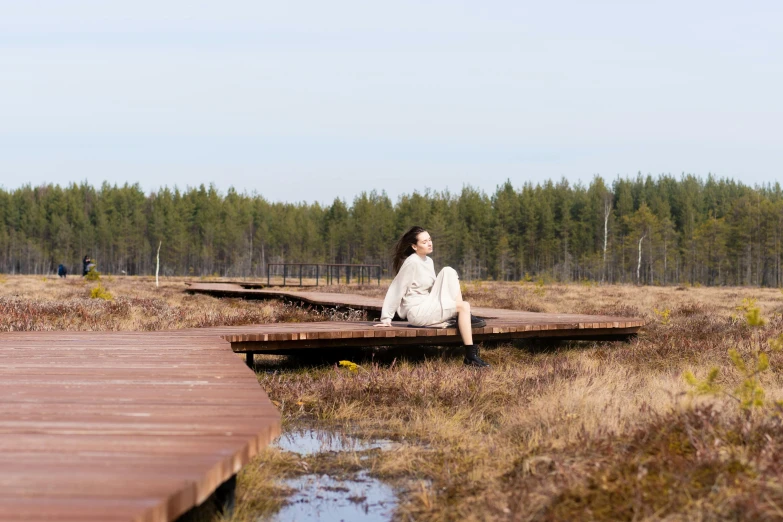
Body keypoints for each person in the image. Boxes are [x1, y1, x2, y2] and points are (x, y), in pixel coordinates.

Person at [375, 226, 490, 367]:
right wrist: (386, 318)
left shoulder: (428, 261)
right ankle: (470, 356)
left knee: (448, 271)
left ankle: (460, 315)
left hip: (427, 303)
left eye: (430, 239)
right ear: (414, 246)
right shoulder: (412, 262)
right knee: (463, 306)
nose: (429, 243)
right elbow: (396, 289)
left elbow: (435, 286)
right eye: (424, 242)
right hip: (417, 311)